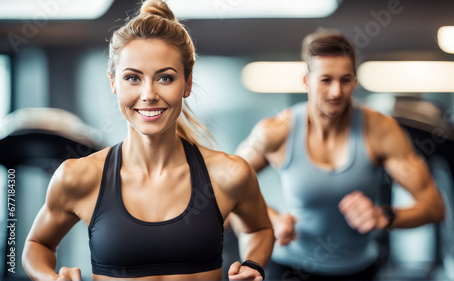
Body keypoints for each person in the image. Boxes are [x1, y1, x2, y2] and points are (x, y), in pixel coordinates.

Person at [21, 0, 274, 280]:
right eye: (133, 78)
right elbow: (37, 245)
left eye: (165, 78)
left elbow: (259, 230)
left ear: (187, 83)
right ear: (113, 83)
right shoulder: (77, 177)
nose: (149, 94)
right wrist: (51, 278)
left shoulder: (230, 174)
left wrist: (253, 264)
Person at [234, 30, 445, 281]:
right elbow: (227, 190)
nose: (336, 92)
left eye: (345, 80)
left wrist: (384, 215)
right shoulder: (276, 132)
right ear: (306, 81)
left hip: (358, 270)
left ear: (355, 82)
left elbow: (433, 207)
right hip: (290, 267)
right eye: (326, 80)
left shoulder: (380, 131)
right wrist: (273, 220)